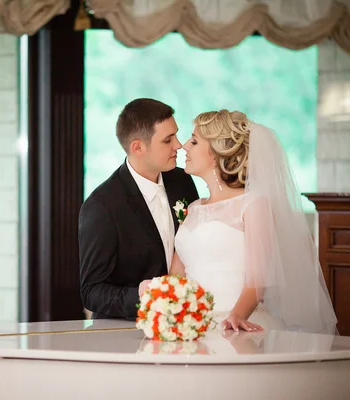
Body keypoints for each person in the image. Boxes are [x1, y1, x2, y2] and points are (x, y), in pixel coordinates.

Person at [171, 110, 338, 334]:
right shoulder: (192, 208)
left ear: (217, 151)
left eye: (194, 141)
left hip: (235, 322)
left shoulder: (253, 204)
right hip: (189, 326)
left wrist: (236, 317)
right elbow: (175, 276)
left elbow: (258, 278)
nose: (184, 146)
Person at [79, 98, 199, 320]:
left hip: (184, 325)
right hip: (125, 333)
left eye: (176, 135)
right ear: (138, 147)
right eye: (168, 140)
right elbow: (91, 292)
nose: (179, 145)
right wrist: (144, 295)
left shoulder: (182, 181)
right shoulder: (102, 206)